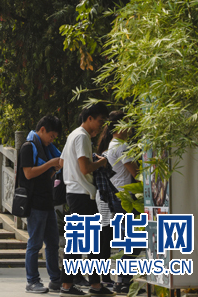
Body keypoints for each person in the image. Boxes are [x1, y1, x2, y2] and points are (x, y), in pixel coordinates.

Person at [61, 102, 110, 296]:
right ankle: (67, 285)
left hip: (76, 193)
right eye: (99, 121)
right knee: (81, 241)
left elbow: (63, 161)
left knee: (91, 241)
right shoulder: (82, 137)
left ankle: (95, 285)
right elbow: (85, 168)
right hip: (82, 194)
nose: (100, 126)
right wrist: (101, 162)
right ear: (89, 118)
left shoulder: (73, 135)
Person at [96, 111, 138, 295]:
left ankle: (121, 281)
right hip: (125, 197)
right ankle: (123, 281)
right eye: (127, 123)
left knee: (126, 241)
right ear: (120, 126)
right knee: (132, 241)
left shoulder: (111, 144)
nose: (130, 128)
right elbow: (136, 173)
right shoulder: (123, 147)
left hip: (117, 197)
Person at [20, 115, 63, 293]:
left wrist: (53, 167)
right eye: (51, 136)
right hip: (35, 202)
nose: (52, 140)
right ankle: (32, 281)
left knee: (53, 243)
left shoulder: (47, 149)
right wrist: (50, 164)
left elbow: (46, 174)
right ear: (42, 129)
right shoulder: (28, 147)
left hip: (47, 202)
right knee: (35, 243)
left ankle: (55, 279)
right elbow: (29, 173)